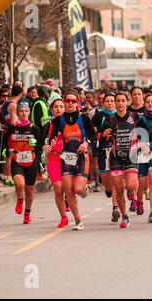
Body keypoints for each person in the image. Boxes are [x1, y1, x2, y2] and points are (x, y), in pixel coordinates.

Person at [101, 91, 151, 228]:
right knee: (117, 188)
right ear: (115, 103)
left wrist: (143, 143)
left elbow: (148, 131)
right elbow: (101, 139)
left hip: (131, 156)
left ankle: (131, 193)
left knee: (129, 186)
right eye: (118, 101)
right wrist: (104, 135)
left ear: (127, 102)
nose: (120, 103)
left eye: (123, 100)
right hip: (115, 157)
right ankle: (124, 216)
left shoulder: (134, 117)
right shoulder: (109, 120)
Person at [49, 90, 97, 231]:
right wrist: (50, 143)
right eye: (67, 101)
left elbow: (93, 136)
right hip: (66, 158)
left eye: (73, 101)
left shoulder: (84, 118)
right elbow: (52, 137)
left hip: (81, 157)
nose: (70, 103)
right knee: (68, 191)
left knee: (78, 189)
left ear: (77, 103)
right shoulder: (58, 120)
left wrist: (86, 143)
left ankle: (84, 188)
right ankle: (77, 220)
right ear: (64, 102)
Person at [2, 102, 42, 224]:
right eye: (21, 111)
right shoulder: (12, 128)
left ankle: (27, 213)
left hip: (31, 161)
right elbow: (5, 141)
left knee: (29, 190)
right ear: (18, 113)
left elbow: (39, 146)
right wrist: (5, 149)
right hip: (17, 160)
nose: (24, 113)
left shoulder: (34, 128)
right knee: (19, 185)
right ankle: (20, 199)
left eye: (26, 111)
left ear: (29, 113)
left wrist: (34, 143)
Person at [42, 99, 70, 228]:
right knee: (58, 189)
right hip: (54, 160)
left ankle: (71, 198)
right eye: (56, 107)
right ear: (52, 109)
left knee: (69, 189)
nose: (58, 109)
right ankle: (63, 217)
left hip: (68, 159)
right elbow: (37, 140)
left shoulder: (70, 124)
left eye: (61, 107)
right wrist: (43, 146)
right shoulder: (47, 125)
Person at [92, 92, 120, 220]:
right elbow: (93, 135)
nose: (110, 103)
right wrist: (102, 135)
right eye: (107, 101)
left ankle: (115, 207)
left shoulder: (120, 115)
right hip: (103, 150)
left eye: (112, 101)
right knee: (106, 180)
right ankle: (107, 190)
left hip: (117, 151)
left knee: (115, 179)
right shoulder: (98, 116)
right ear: (104, 103)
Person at [136, 94, 152, 222]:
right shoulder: (140, 119)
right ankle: (139, 199)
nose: (150, 104)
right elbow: (135, 137)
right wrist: (142, 146)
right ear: (144, 104)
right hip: (142, 154)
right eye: (148, 102)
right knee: (142, 183)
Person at [0, 85, 24, 187]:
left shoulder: (6, 103)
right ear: (20, 95)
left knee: (7, 156)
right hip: (12, 134)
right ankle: (9, 177)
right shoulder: (14, 106)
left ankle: (6, 176)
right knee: (11, 156)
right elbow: (14, 122)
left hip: (6, 131)